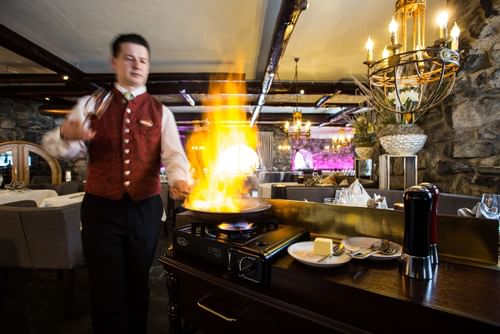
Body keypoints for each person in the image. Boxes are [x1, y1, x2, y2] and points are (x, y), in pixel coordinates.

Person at [42, 33, 191, 333]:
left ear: (148, 66)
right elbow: (57, 146)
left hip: (144, 209)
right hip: (100, 209)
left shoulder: (162, 112)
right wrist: (67, 136)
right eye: (129, 58)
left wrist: (179, 180)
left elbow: (175, 156)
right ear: (115, 62)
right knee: (104, 285)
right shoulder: (92, 103)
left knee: (139, 282)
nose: (137, 65)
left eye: (143, 60)